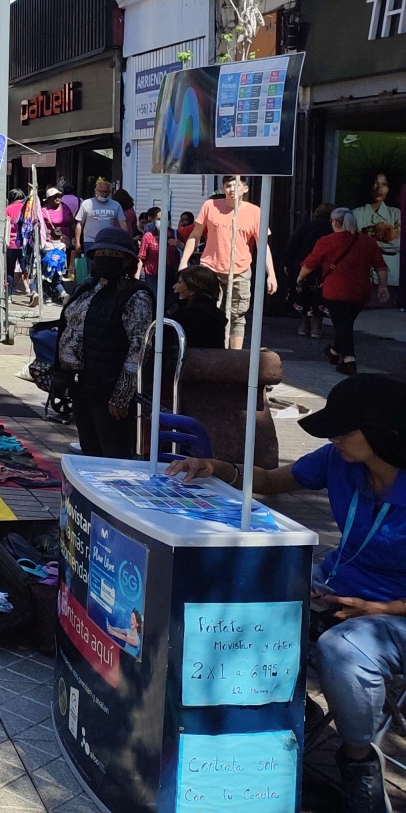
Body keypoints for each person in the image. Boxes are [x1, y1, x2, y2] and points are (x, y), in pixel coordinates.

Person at [167, 375, 406, 813]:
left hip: (393, 614)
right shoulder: (339, 460)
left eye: (345, 428)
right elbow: (273, 482)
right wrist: (217, 468)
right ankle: (273, 712)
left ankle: (357, 761)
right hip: (335, 586)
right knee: (244, 586)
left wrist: (382, 608)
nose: (333, 436)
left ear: (385, 430)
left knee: (343, 649)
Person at [55, 226, 154, 459]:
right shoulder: (87, 288)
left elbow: (139, 349)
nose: (104, 259)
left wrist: (121, 395)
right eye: (100, 253)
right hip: (81, 386)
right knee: (89, 452)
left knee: (113, 456)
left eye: (113, 255)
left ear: (127, 260)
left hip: (109, 391)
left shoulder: (135, 295)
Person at [179, 175, 277, 349]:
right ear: (223, 188)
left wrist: (271, 275)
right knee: (206, 311)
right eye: (228, 186)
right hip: (211, 270)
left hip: (240, 271)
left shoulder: (255, 212)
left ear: (245, 189)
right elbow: (195, 235)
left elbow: (263, 246)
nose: (232, 189)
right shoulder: (210, 206)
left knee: (237, 316)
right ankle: (211, 351)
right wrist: (184, 261)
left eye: (236, 185)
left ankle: (234, 359)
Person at [300, 209, 389, 376]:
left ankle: (349, 360)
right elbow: (380, 266)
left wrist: (299, 278)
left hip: (336, 291)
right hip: (360, 292)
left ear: (335, 222)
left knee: (343, 324)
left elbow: (310, 263)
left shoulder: (326, 241)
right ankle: (334, 352)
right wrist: (383, 286)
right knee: (345, 323)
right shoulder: (368, 242)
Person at [287, 202, 337, 337]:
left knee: (304, 296)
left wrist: (288, 263)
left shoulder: (306, 226)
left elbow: (293, 245)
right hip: (323, 269)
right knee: (319, 298)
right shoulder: (332, 230)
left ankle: (304, 326)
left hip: (304, 266)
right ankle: (316, 327)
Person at [353, 173, 400, 303]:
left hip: (391, 276)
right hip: (362, 276)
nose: (379, 189)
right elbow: (353, 243)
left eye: (384, 184)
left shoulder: (396, 214)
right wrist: (386, 234)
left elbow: (398, 244)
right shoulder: (356, 214)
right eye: (375, 184)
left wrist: (367, 235)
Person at [168, 265, 228, 355]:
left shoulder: (184, 317)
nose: (174, 286)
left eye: (180, 282)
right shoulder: (217, 316)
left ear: (193, 289)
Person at [74, 178, 125, 254]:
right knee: (90, 263)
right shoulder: (86, 204)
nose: (104, 194)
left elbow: (123, 224)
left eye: (106, 192)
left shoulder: (116, 205)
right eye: (101, 192)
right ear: (95, 191)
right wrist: (77, 242)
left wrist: (125, 239)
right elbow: (79, 224)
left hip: (109, 241)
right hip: (90, 241)